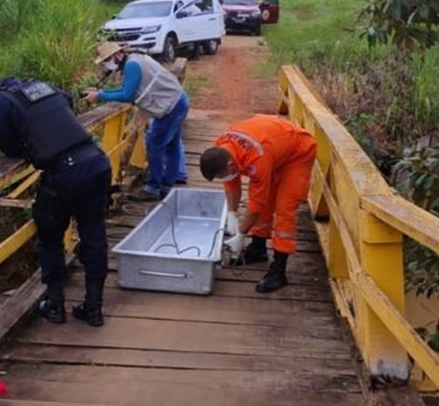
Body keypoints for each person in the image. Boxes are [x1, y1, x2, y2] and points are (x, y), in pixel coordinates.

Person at [0, 75, 111, 327]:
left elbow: (9, 147)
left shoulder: (2, 102)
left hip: (63, 174)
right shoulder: (40, 86)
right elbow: (67, 99)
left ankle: (55, 306)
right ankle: (94, 308)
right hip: (96, 163)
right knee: (94, 234)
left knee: (50, 236)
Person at [199, 115, 317, 293]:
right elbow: (231, 182)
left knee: (284, 208)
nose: (223, 179)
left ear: (231, 165)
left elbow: (256, 202)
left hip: (297, 151)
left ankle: (279, 269)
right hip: (275, 145)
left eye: (221, 176)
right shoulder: (221, 148)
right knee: (265, 202)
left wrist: (240, 234)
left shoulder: (257, 158)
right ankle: (258, 248)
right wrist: (231, 212)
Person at [83, 42, 189, 201]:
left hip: (170, 107)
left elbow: (127, 95)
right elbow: (127, 89)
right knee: (171, 145)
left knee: (154, 144)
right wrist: (101, 92)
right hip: (176, 101)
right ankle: (166, 185)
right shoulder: (135, 60)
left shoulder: (132, 65)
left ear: (117, 55)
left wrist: (99, 96)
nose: (107, 64)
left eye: (107, 60)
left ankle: (153, 187)